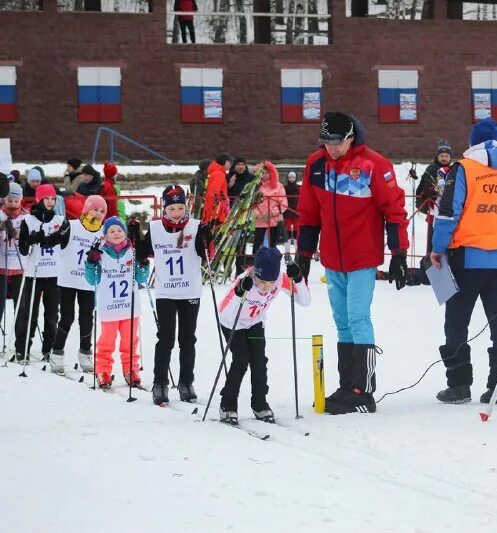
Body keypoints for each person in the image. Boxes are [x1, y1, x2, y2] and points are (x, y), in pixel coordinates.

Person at [295, 111, 409, 415]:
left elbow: (394, 211)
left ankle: (364, 391)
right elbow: (309, 214)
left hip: (362, 257)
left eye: (337, 142)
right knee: (342, 322)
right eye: (326, 142)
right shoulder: (315, 165)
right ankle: (348, 386)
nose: (331, 148)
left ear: (350, 137)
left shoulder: (374, 165)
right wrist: (303, 255)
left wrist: (398, 253)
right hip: (333, 259)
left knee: (358, 318)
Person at [429, 117, 497, 405]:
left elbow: (448, 212)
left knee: (457, 322)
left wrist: (438, 247)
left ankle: (459, 385)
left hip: (467, 257)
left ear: (472, 142)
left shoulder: (464, 169)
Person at [133, 185, 212, 404]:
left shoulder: (195, 226)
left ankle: (186, 382)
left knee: (188, 339)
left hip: (190, 290)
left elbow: (206, 254)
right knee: (165, 339)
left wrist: (207, 236)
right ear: (164, 209)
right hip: (166, 291)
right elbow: (142, 254)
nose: (176, 213)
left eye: (180, 208)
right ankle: (160, 383)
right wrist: (135, 236)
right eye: (172, 208)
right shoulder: (156, 228)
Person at [217, 246, 310, 425]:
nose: (266, 287)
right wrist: (238, 294)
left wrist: (298, 279)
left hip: (255, 322)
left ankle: (259, 404)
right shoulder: (245, 280)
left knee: (259, 362)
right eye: (261, 281)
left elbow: (304, 301)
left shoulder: (280, 279)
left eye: (270, 282)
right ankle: (227, 405)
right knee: (241, 360)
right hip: (232, 322)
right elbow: (225, 310)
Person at [84, 217, 150, 388]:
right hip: (109, 306)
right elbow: (92, 280)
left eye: (119, 230)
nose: (116, 234)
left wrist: (143, 262)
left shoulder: (132, 251)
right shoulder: (101, 253)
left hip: (129, 306)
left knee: (130, 341)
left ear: (125, 233)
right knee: (107, 341)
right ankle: (103, 369)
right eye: (111, 231)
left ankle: (131, 369)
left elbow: (142, 279)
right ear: (105, 235)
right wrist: (91, 263)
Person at [47, 195, 107, 375]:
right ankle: (57, 353)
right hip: (68, 280)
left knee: (86, 318)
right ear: (87, 209)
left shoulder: (103, 232)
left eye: (102, 211)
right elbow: (53, 240)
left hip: (88, 281)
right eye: (95, 209)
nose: (98, 213)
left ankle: (85, 353)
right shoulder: (72, 225)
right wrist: (42, 238)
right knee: (67, 317)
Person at [14, 183, 63, 362]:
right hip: (34, 273)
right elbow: (23, 249)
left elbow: (65, 244)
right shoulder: (29, 220)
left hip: (53, 273)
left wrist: (55, 238)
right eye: (46, 198)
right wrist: (30, 240)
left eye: (53, 198)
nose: (50, 202)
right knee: (29, 314)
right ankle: (22, 348)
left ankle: (49, 348)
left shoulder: (59, 220)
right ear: (39, 199)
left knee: (52, 315)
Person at [416, 140, 453, 255]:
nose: (444, 158)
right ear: (437, 156)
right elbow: (426, 187)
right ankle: (429, 259)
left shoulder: (453, 170)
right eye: (442, 156)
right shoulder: (431, 169)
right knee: (432, 239)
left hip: (448, 210)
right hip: (433, 208)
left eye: (446, 156)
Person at [0, 183, 28, 327]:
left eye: (16, 201)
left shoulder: (26, 217)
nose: (13, 204)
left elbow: (29, 238)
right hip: (1, 263)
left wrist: (18, 234)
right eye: (10, 200)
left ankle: (20, 337)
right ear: (4, 200)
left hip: (20, 264)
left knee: (21, 304)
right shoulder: (0, 215)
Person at [253, 160, 287, 249]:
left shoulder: (278, 186)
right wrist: (257, 214)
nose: (265, 175)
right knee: (257, 244)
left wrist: (271, 213)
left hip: (273, 220)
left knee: (272, 244)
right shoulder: (255, 187)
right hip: (260, 219)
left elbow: (283, 203)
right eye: (263, 173)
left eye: (267, 173)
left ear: (272, 173)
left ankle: (271, 257)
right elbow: (251, 202)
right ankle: (256, 257)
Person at [203, 153, 232, 226]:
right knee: (214, 228)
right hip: (217, 210)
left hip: (212, 207)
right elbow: (214, 193)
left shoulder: (215, 172)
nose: (230, 165)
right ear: (225, 162)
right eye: (229, 162)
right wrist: (215, 210)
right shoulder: (219, 174)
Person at [283, 171, 300, 244]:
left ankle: (297, 249)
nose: (291, 179)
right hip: (287, 211)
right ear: (288, 178)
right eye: (290, 177)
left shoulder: (299, 188)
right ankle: (287, 249)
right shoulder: (284, 188)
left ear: (296, 178)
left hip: (297, 212)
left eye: (293, 177)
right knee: (288, 230)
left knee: (297, 230)